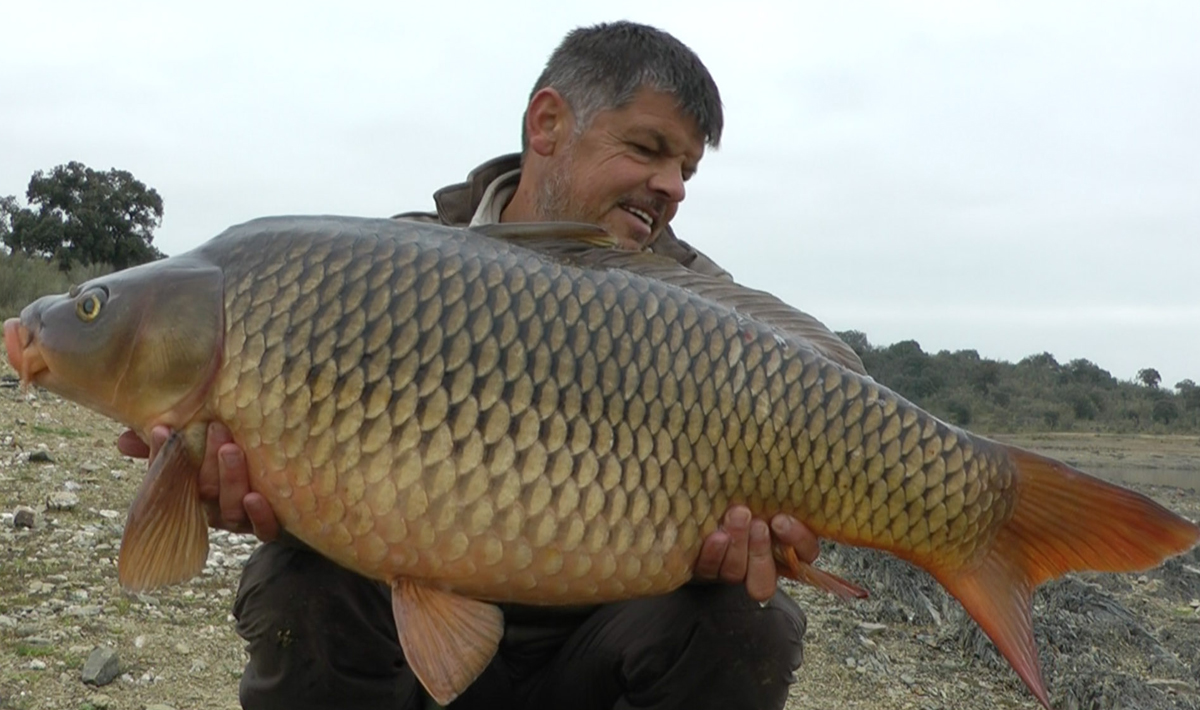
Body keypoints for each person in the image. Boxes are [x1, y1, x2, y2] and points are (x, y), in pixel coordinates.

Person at [119, 21, 851, 710]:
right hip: (407, 634)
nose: (675, 186)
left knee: (748, 621)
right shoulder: (382, 273)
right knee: (300, 582)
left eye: (686, 168)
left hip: (604, 643)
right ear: (548, 123)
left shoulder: (701, 320)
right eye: (648, 148)